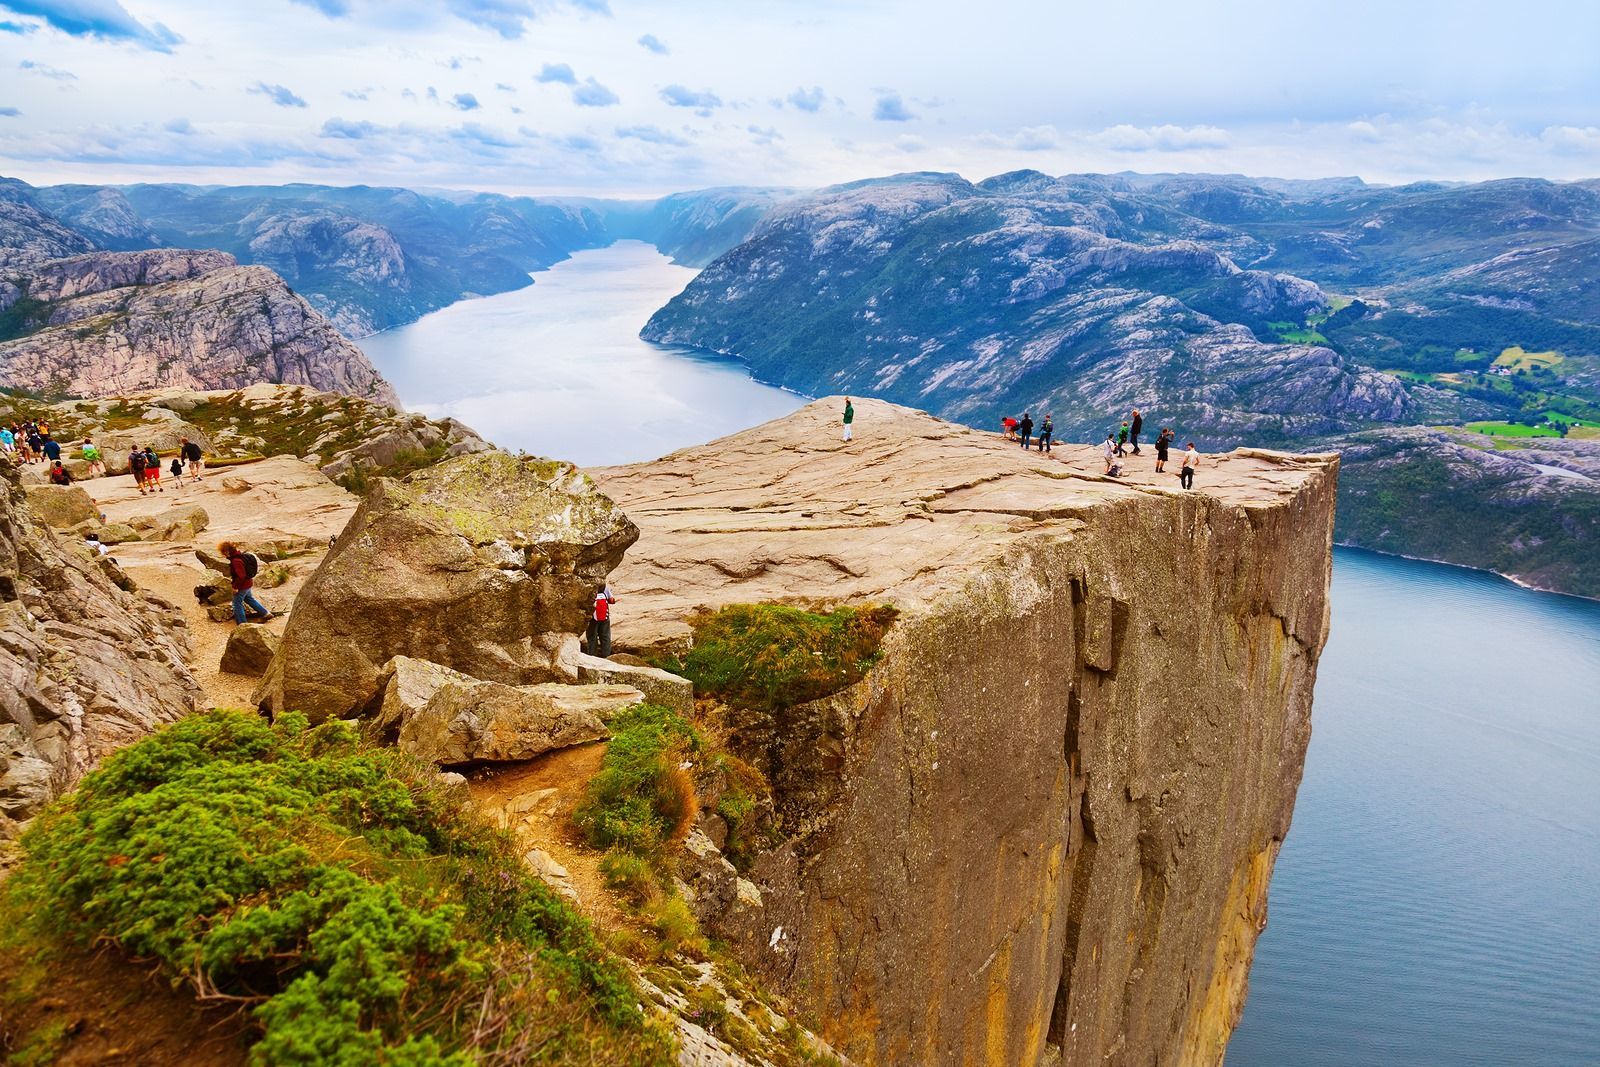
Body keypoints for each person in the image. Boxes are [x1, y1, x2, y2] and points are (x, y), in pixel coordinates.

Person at [220, 541, 273, 624]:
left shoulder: (236, 561)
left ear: (227, 551)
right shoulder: (241, 556)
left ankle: (242, 624)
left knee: (236, 604)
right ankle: (266, 613)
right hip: (248, 583)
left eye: (223, 553)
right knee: (249, 599)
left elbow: (241, 576)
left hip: (242, 586)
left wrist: (235, 587)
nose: (224, 555)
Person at [587, 583, 616, 658]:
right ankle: (607, 657)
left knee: (592, 637)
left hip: (592, 617)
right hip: (604, 617)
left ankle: (592, 657)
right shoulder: (604, 587)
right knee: (605, 637)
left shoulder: (588, 585)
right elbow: (612, 600)